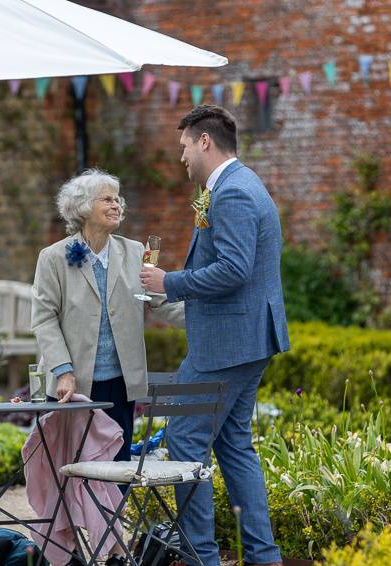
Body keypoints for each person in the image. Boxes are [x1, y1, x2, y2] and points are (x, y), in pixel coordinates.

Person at [140, 105, 289, 566]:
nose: (181, 156)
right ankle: (263, 558)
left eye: (184, 145)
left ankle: (201, 557)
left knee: (184, 440)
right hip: (245, 341)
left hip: (226, 346)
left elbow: (234, 269)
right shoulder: (238, 184)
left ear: (204, 141)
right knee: (233, 446)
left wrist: (169, 283)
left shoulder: (233, 193)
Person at [30, 168, 184, 462]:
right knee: (72, 468)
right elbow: (43, 318)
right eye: (107, 200)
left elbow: (162, 303)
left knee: (117, 464)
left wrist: (209, 319)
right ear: (84, 207)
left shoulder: (136, 251)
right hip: (71, 385)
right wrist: (62, 370)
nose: (117, 205)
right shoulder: (53, 257)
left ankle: (116, 511)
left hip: (120, 382)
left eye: (117, 200)